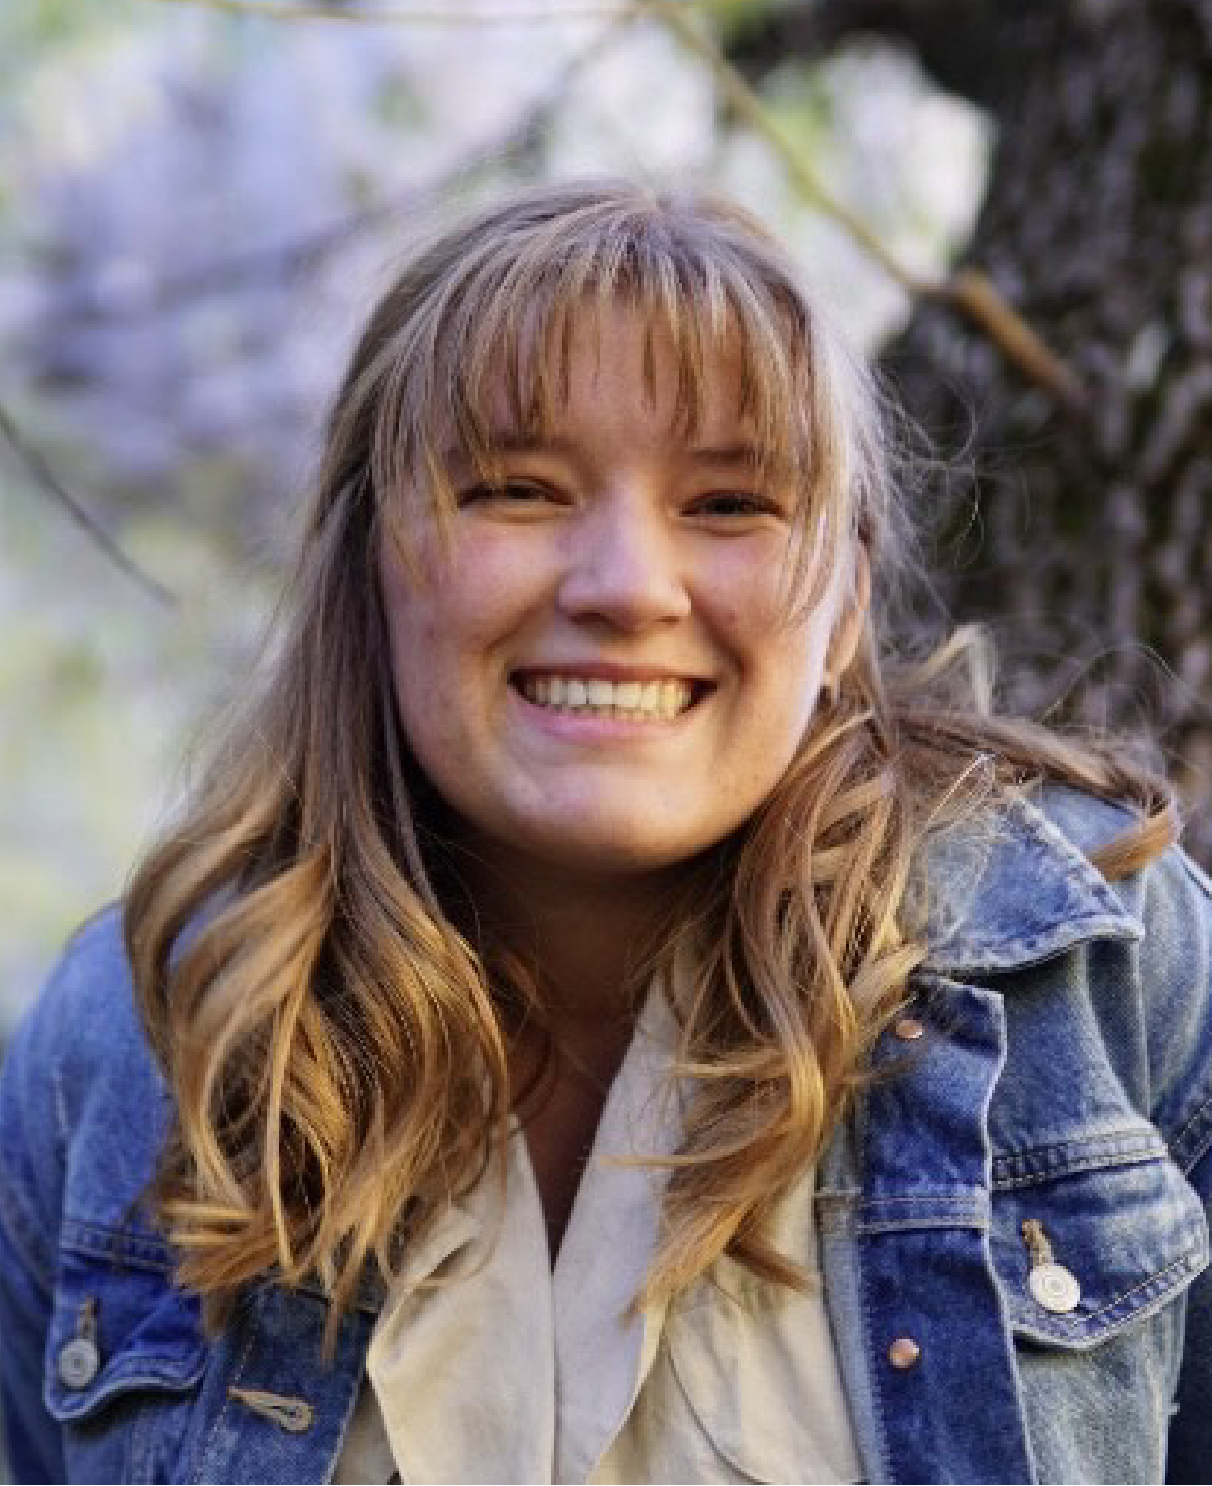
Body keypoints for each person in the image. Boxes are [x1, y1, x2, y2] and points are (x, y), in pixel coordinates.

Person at [1, 179, 1209, 1485]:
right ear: (372, 562)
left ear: (847, 601)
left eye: (731, 504)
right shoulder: (135, 1039)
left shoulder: (1107, 976)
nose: (628, 588)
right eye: (517, 489)